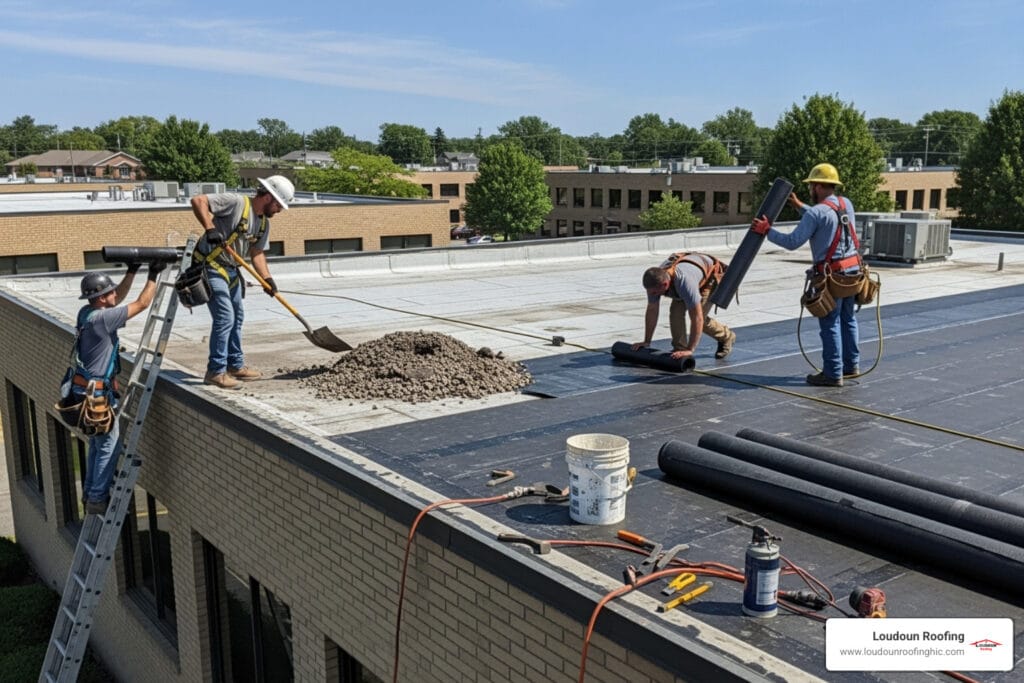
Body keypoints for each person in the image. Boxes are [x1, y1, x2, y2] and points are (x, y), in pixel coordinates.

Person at [751, 162, 860, 387]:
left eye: (811, 185)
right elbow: (826, 216)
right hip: (852, 272)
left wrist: (767, 231)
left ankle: (833, 374)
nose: (810, 189)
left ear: (818, 186)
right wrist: (800, 206)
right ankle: (851, 365)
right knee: (848, 319)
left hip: (832, 276)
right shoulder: (845, 203)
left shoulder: (817, 213)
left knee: (830, 322)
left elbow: (792, 242)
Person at [74, 263, 164, 514]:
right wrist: (154, 274)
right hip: (96, 395)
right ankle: (97, 498)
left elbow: (118, 300)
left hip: (86, 390)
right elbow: (142, 303)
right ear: (102, 298)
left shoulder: (88, 312)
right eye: (110, 292)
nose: (115, 294)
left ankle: (91, 494)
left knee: (97, 444)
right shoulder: (103, 319)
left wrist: (132, 271)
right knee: (109, 445)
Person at [189, 175, 294, 389]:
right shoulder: (236, 202)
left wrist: (267, 279)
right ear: (268, 197)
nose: (279, 210)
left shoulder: (263, 224)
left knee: (237, 318)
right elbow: (198, 201)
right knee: (225, 317)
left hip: (232, 271)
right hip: (210, 265)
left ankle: (234, 366)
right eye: (278, 205)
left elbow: (257, 253)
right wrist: (210, 229)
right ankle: (215, 372)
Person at [632, 252, 735, 360]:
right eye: (650, 292)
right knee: (675, 313)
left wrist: (690, 349)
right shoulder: (654, 282)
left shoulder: (684, 283)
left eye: (654, 293)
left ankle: (727, 337)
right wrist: (647, 341)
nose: (652, 295)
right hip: (689, 274)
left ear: (665, 285)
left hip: (709, 277)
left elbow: (697, 318)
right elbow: (652, 310)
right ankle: (679, 349)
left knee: (702, 320)